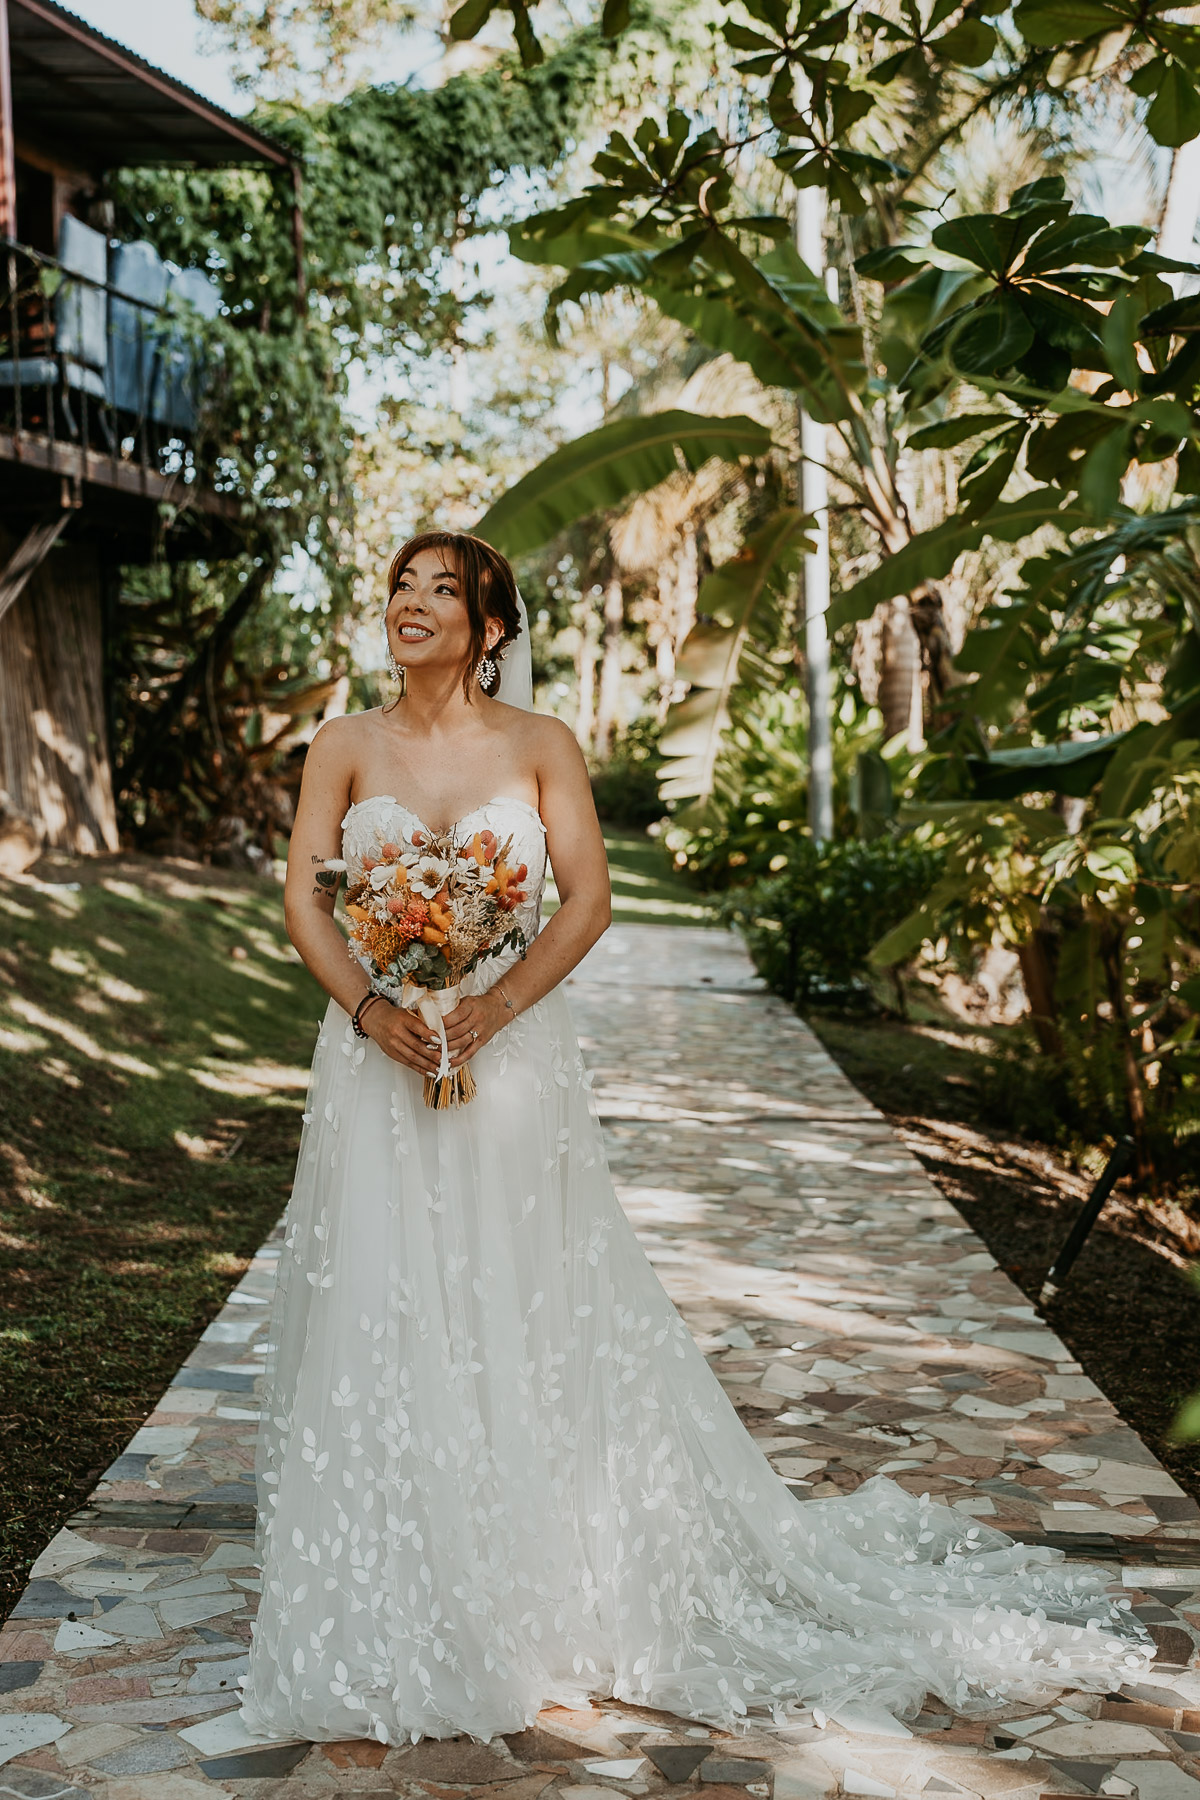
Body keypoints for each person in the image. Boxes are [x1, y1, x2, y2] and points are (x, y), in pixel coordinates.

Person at [237, 530, 1153, 1748]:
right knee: (387, 1302)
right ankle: (390, 1590)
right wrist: (374, 1005)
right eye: (399, 587)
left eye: (440, 590)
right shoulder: (342, 746)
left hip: (512, 1071)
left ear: (490, 624)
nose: (411, 605)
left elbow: (588, 899)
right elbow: (307, 890)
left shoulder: (541, 747)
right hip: (375, 1061)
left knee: (522, 1301)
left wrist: (495, 1010)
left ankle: (537, 1587)